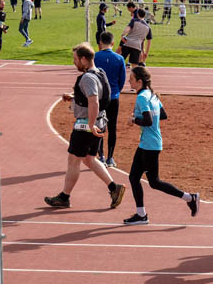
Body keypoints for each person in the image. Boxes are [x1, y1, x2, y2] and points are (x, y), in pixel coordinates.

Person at [43, 43, 127, 210]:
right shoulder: (99, 73)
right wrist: (74, 97)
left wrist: (90, 124)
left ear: (83, 59)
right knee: (89, 159)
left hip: (86, 126)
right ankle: (114, 188)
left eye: (75, 59)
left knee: (73, 160)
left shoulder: (88, 78)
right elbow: (94, 97)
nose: (74, 62)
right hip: (99, 122)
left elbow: (94, 101)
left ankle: (64, 197)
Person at [122, 66, 200, 225]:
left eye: (131, 79)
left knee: (154, 182)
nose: (129, 82)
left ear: (139, 81)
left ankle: (189, 198)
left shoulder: (142, 97)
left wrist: (134, 119)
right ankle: (141, 214)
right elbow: (163, 115)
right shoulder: (152, 95)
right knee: (134, 177)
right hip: (148, 143)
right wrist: (142, 116)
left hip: (150, 145)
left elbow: (148, 120)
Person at [94, 31, 127, 167]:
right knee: (112, 127)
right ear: (113, 43)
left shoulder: (95, 57)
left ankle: (101, 155)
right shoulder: (119, 59)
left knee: (99, 126)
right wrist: (116, 91)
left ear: (100, 43)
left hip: (99, 97)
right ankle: (110, 157)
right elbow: (122, 79)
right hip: (113, 97)